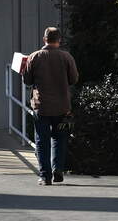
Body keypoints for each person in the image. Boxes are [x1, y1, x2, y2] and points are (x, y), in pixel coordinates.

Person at [23, 26, 80, 184]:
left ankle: (45, 176)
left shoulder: (34, 57)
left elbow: (27, 81)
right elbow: (74, 79)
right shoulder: (66, 57)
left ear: (44, 39)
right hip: (62, 106)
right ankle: (58, 169)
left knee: (42, 140)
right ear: (59, 40)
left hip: (41, 106)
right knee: (60, 138)